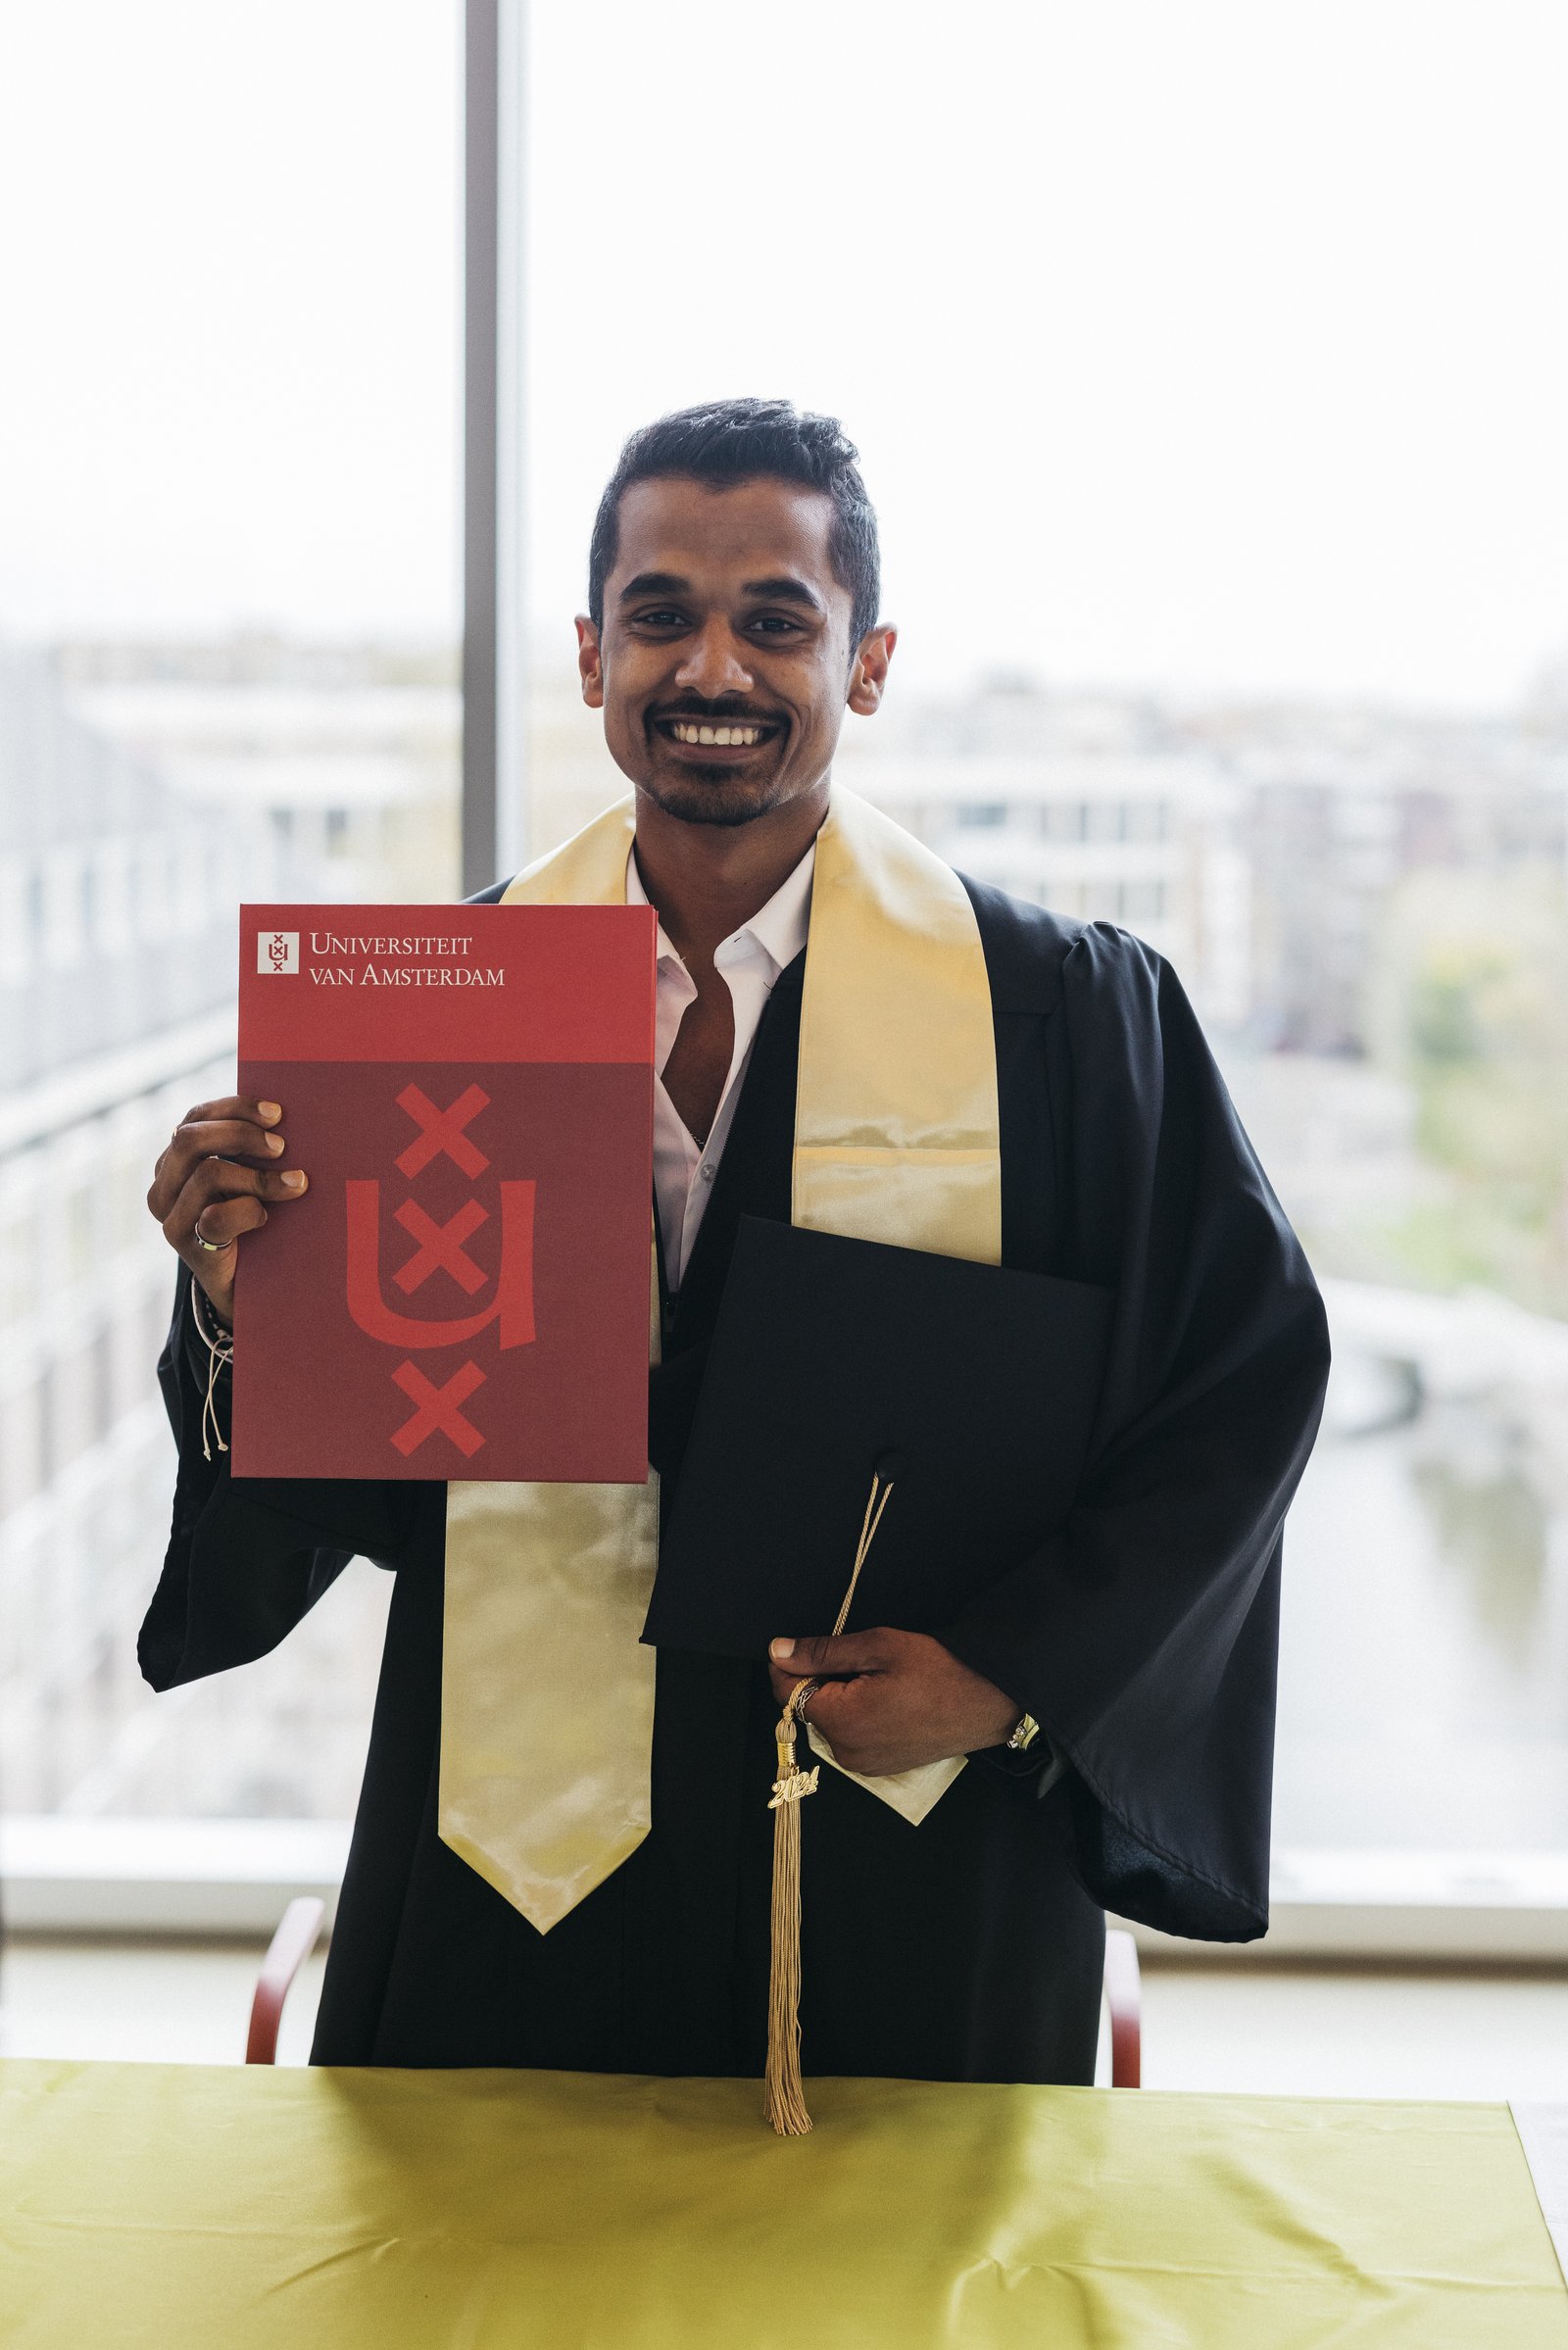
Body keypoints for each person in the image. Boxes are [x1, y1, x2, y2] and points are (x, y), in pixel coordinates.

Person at [141, 398, 1330, 2081]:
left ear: (867, 659)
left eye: (775, 617)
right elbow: (366, 1472)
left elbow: (1241, 1376)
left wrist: (1010, 1676)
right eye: (660, 614)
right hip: (514, 1852)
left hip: (911, 1843)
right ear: (587, 652)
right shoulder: (434, 1005)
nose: (714, 664)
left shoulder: (1057, 1014)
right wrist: (236, 1297)